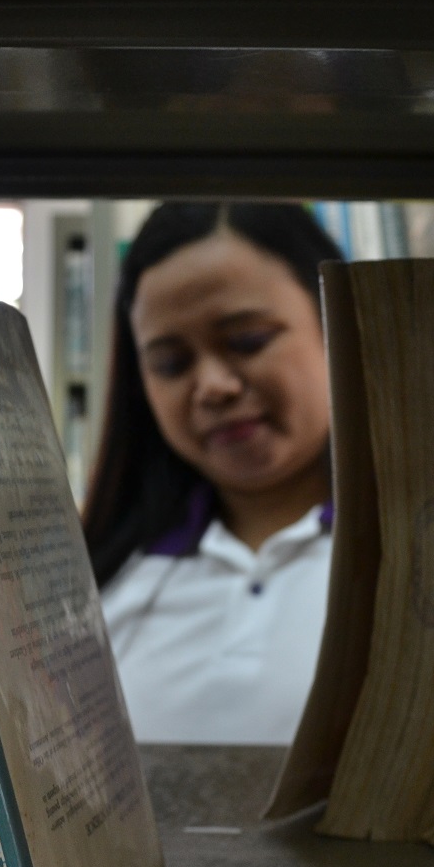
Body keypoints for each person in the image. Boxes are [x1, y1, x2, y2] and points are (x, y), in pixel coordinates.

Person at [83, 203, 343, 745]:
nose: (214, 386)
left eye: (247, 340)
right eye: (172, 364)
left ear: (334, 327)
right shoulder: (104, 580)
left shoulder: (427, 554)